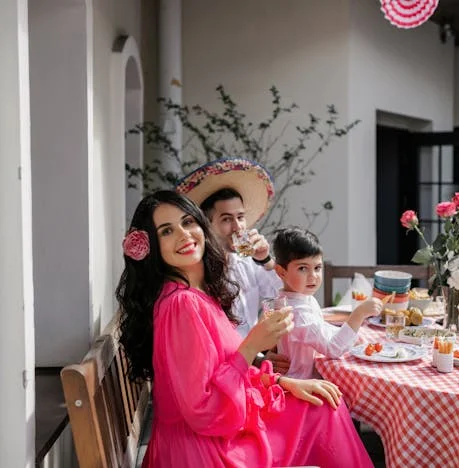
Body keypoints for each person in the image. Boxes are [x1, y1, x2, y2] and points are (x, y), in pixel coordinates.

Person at [116, 191, 373, 468]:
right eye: (167, 231)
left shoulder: (196, 292)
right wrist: (252, 345)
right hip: (206, 450)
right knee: (327, 409)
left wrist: (282, 382)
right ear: (153, 246)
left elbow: (220, 369)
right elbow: (202, 410)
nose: (184, 234)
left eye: (188, 222)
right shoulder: (182, 304)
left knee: (322, 402)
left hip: (211, 433)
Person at [177, 158, 288, 371]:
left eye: (241, 217)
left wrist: (265, 259)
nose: (238, 227)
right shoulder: (199, 274)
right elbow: (216, 342)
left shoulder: (247, 261)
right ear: (205, 226)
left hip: (256, 359)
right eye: (227, 219)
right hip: (229, 370)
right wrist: (257, 358)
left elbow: (281, 297)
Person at [272, 227, 383, 379]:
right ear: (281, 272)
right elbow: (333, 349)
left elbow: (321, 328)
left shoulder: (301, 299)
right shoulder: (297, 313)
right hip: (301, 386)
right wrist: (359, 313)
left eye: (317, 268)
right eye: (303, 268)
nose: (313, 276)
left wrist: (353, 336)